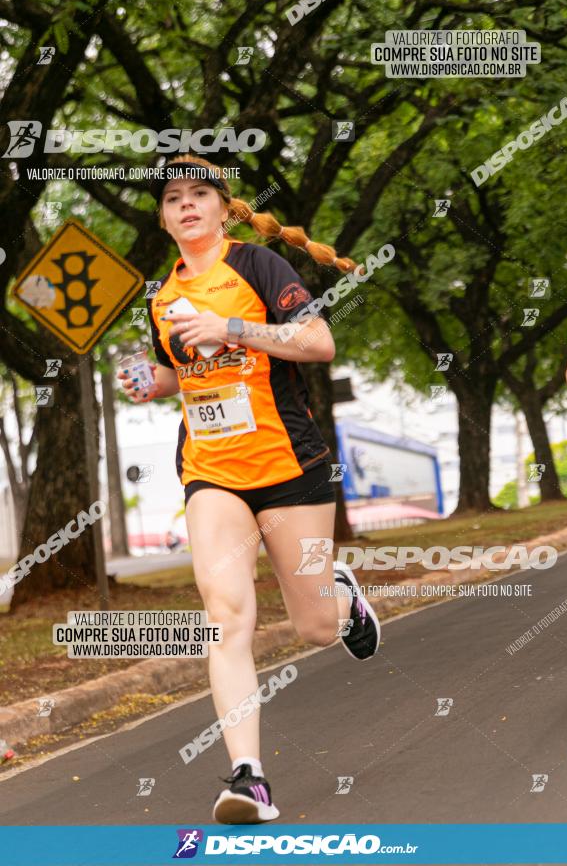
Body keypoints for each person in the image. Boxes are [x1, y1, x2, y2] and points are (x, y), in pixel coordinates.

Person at [117, 153, 381, 825]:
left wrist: (232, 326)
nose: (185, 204)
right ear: (163, 217)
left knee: (314, 627)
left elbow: (317, 343)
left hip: (290, 468)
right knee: (225, 614)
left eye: (198, 193)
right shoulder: (163, 295)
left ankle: (342, 600)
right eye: (172, 197)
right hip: (211, 470)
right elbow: (192, 372)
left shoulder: (260, 266)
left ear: (221, 206)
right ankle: (248, 777)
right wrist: (157, 381)